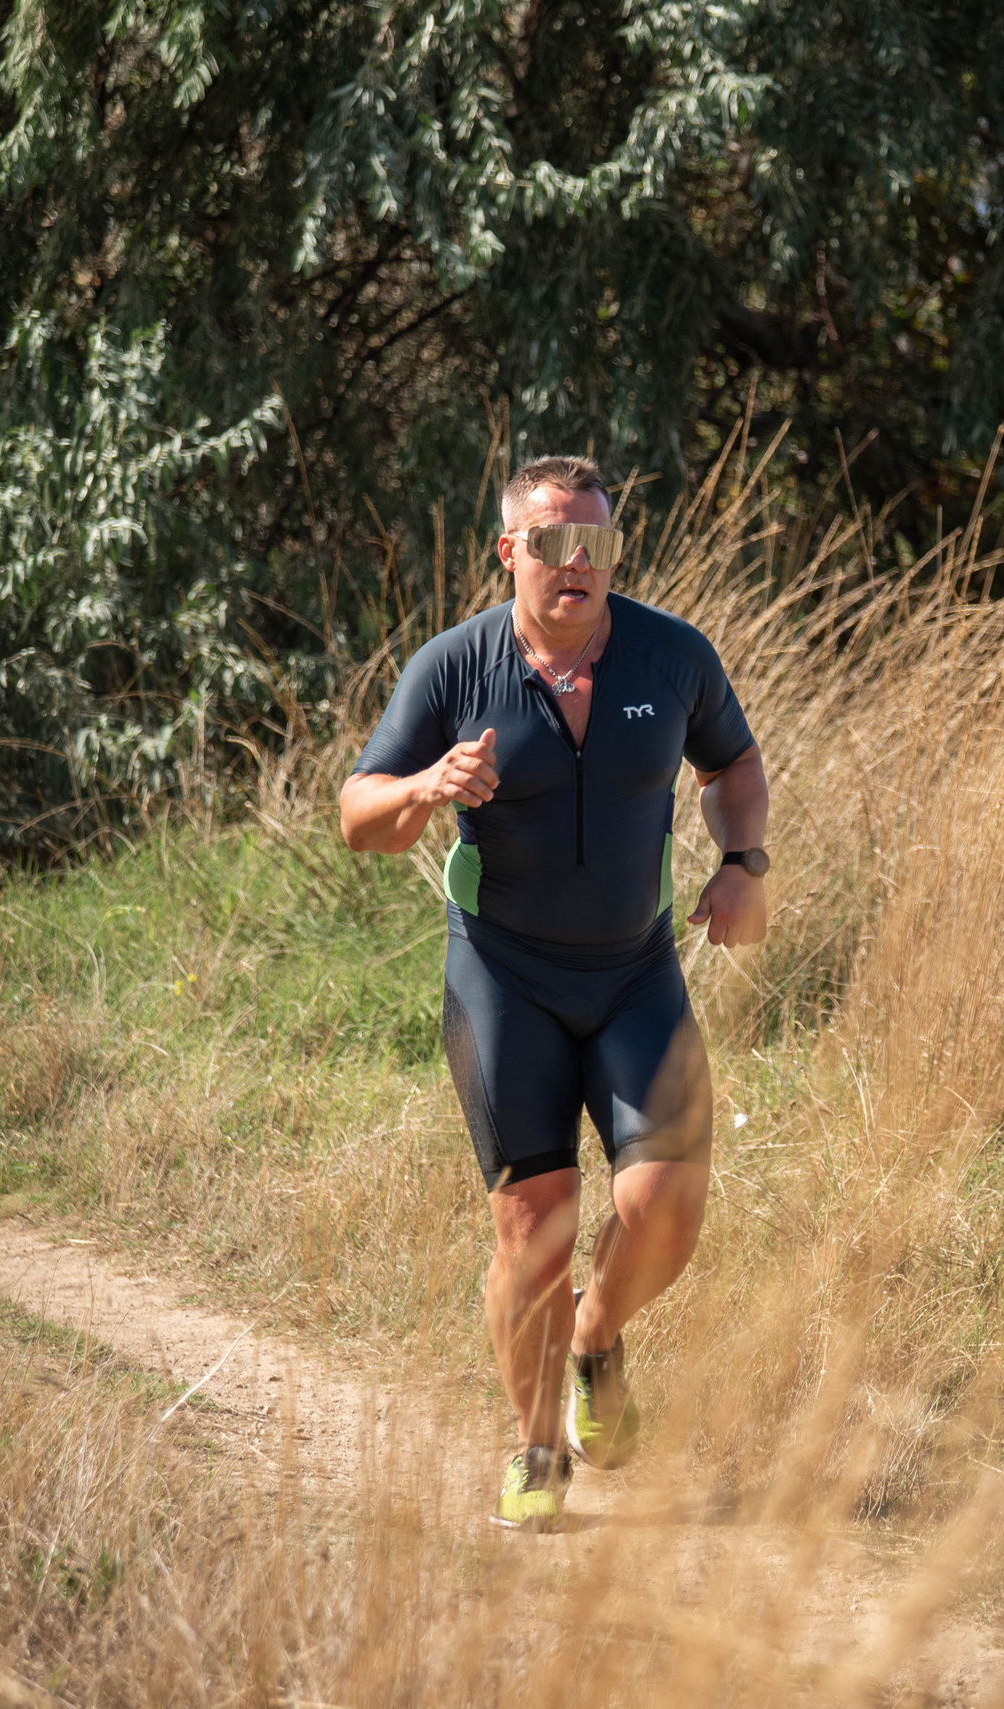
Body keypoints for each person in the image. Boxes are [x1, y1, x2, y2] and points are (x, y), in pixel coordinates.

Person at [339, 455, 769, 1529]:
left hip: (636, 973)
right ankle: (536, 1447)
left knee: (665, 1211)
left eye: (594, 545)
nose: (574, 567)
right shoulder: (455, 668)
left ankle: (593, 1340)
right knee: (535, 1226)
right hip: (505, 978)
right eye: (549, 543)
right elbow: (359, 813)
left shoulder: (672, 655)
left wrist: (742, 861)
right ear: (508, 552)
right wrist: (427, 787)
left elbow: (733, 768)